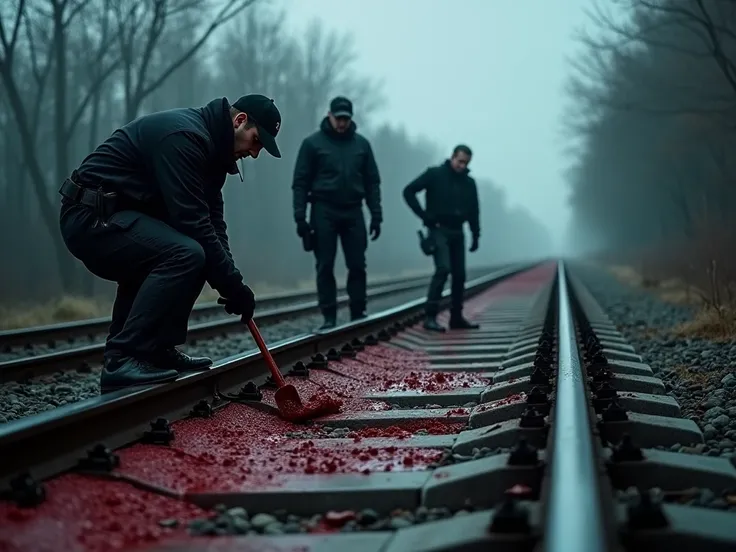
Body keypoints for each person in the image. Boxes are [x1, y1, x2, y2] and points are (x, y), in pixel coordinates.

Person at [58, 95, 282, 392]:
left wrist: (234, 284)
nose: (254, 153)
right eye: (256, 141)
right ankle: (123, 359)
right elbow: (193, 223)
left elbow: (214, 225)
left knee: (187, 250)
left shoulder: (214, 154)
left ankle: (155, 350)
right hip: (90, 217)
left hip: (120, 217)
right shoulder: (184, 138)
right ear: (240, 121)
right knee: (185, 253)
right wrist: (232, 285)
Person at [292, 96, 382, 330]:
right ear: (329, 115)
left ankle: (358, 311)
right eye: (338, 118)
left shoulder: (362, 145)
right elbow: (300, 182)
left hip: (353, 209)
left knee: (357, 264)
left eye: (346, 118)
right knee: (325, 265)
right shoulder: (312, 144)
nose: (342, 123)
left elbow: (372, 182)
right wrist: (300, 218)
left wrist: (376, 214)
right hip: (323, 209)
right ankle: (329, 316)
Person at [403, 144, 481, 332]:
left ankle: (456, 318)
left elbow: (474, 211)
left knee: (460, 275)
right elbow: (408, 191)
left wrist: (476, 234)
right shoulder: (435, 174)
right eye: (460, 161)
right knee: (443, 269)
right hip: (438, 229)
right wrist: (423, 215)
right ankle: (430, 316)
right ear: (453, 157)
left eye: (466, 163)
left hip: (458, 231)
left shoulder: (469, 183)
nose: (462, 165)